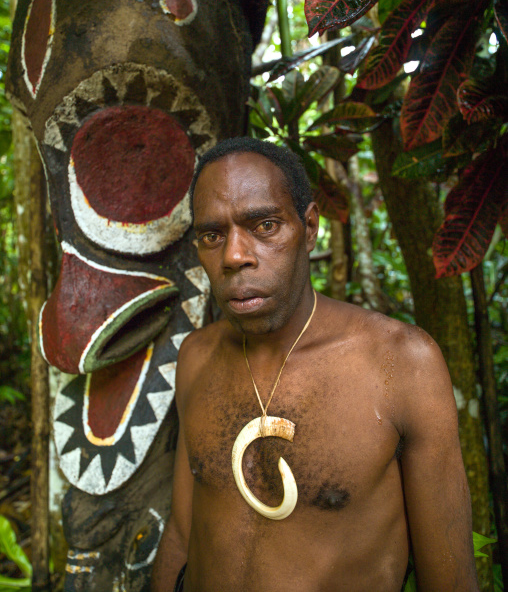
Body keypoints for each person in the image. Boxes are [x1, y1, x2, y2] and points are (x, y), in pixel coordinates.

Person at [151, 137, 479, 592]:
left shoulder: (401, 365)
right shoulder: (197, 358)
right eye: (212, 236)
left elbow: (450, 579)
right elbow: (184, 534)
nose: (234, 256)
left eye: (264, 226)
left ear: (309, 228)